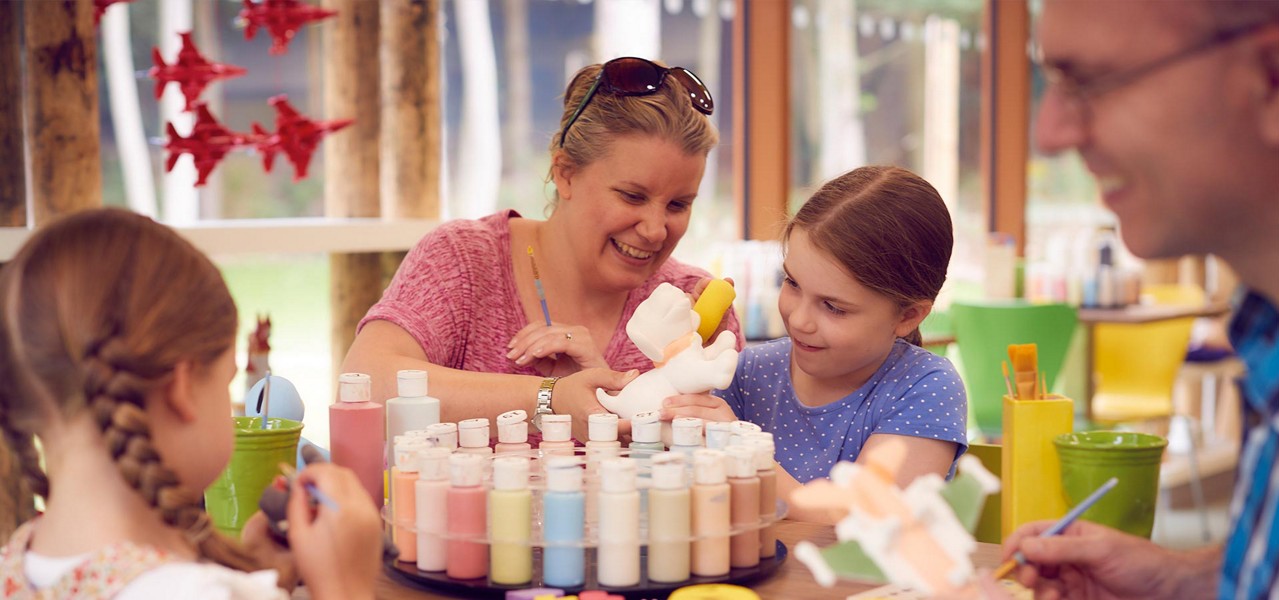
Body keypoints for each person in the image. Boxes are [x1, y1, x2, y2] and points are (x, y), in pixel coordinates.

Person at [996, 1, 1279, 598]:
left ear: (1272, 74)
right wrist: (1178, 577)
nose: (1049, 134)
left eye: (1090, 81)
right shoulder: (1265, 338)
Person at [342, 57, 742, 439]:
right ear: (564, 173)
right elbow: (364, 384)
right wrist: (550, 400)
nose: (656, 231)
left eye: (678, 204)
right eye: (632, 197)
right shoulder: (464, 259)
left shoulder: (699, 311)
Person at [0, 209, 382, 599]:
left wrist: (257, 574)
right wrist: (344, 585)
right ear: (182, 389)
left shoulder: (14, 566)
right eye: (227, 382)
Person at [664, 166, 968, 522]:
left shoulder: (925, 388)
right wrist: (685, 371)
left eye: (833, 307)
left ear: (908, 316)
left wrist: (740, 450)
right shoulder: (750, 373)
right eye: (792, 283)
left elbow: (863, 521)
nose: (798, 319)